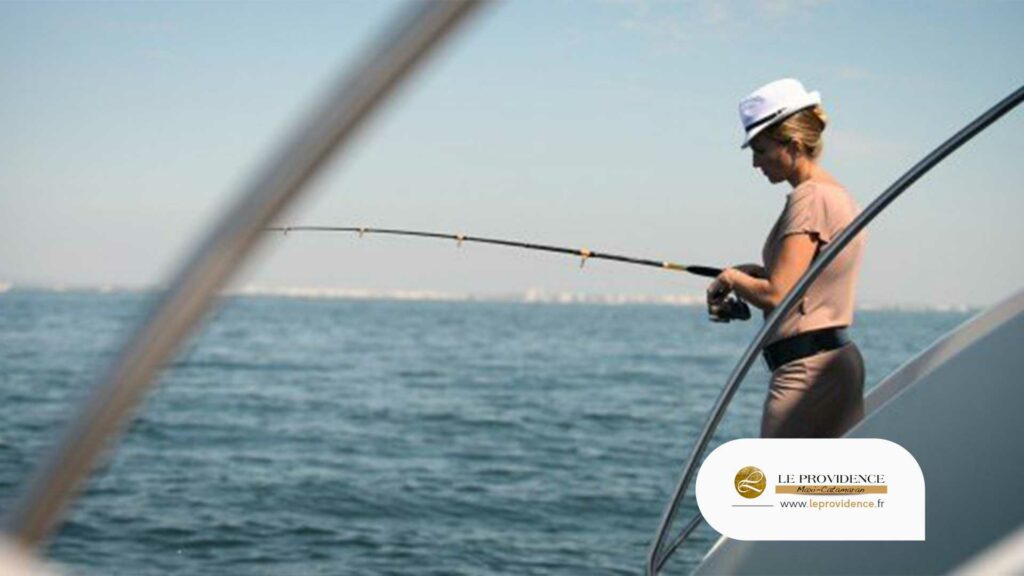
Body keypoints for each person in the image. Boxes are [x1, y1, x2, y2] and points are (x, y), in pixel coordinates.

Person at [706, 78, 866, 438]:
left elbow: (779, 295)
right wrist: (755, 273)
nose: (754, 163)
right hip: (835, 365)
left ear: (792, 145)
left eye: (760, 150)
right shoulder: (837, 195)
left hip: (804, 374)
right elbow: (810, 283)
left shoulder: (807, 199)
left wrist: (732, 278)